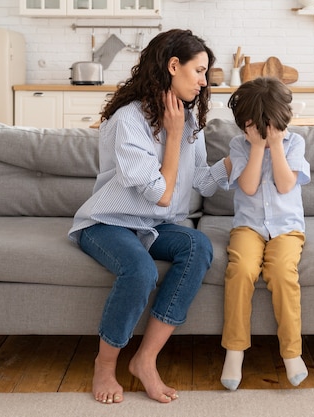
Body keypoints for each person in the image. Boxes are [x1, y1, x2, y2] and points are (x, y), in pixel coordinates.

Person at [68, 29, 231, 405]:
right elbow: (161, 195)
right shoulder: (129, 120)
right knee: (140, 271)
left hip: (153, 226)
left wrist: (234, 160)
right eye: (200, 71)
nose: (205, 81)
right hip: (108, 222)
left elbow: (200, 182)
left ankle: (145, 359)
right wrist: (172, 138)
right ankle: (105, 365)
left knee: (198, 246)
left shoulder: (190, 119)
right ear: (174, 66)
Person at [219, 77, 311, 391]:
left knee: (282, 273)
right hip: (248, 227)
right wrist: (258, 146)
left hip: (287, 229)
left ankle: (291, 353)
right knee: (241, 270)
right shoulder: (239, 145)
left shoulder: (295, 143)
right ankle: (234, 351)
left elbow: (286, 185)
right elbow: (248, 186)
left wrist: (275, 145)